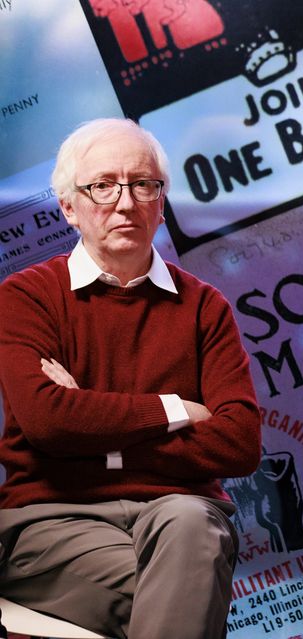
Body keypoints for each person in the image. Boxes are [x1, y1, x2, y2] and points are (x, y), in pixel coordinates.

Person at [0, 118, 262, 638]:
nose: (125, 203)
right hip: (51, 523)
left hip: (180, 517)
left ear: (161, 202)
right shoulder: (26, 297)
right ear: (69, 208)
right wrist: (174, 410)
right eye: (103, 185)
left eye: (143, 184)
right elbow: (48, 422)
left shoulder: (205, 308)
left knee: (189, 531)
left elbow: (239, 443)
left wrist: (94, 427)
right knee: (187, 589)